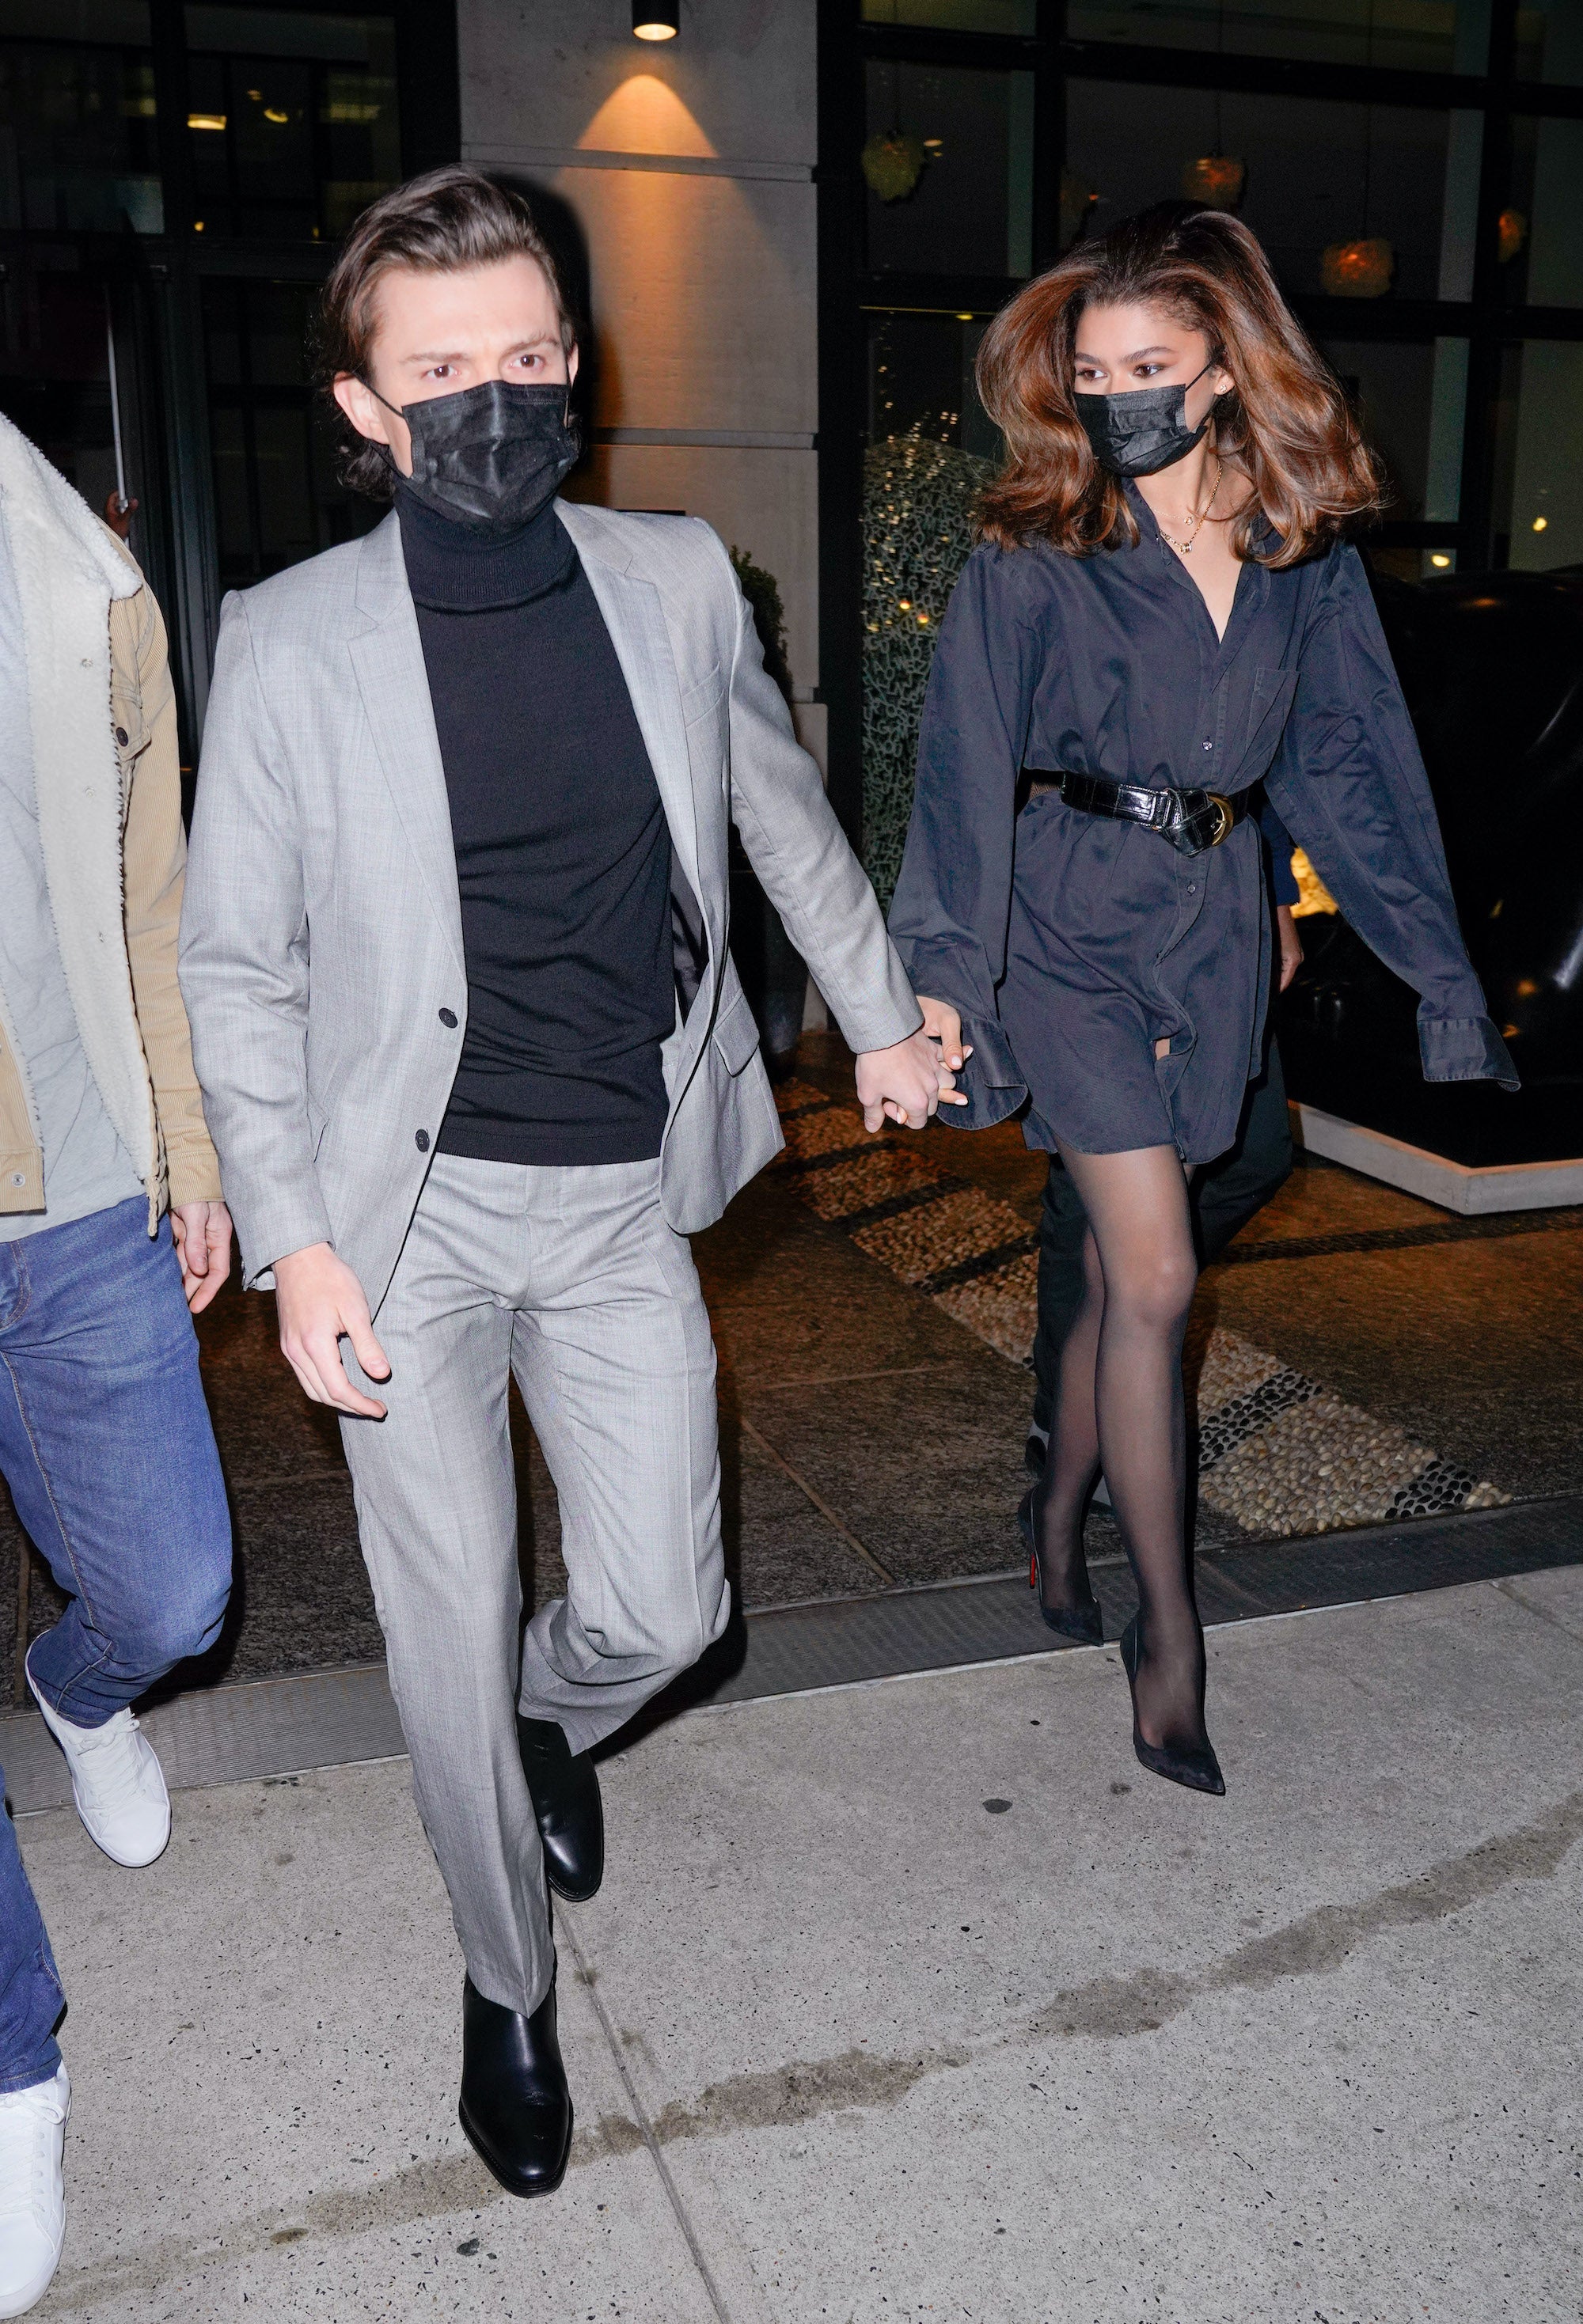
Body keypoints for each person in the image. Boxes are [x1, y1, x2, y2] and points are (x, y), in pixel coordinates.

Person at [178, 166, 951, 2201]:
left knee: (667, 1610)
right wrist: (294, 1239)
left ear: (576, 362)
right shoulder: (289, 639)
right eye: (444, 371)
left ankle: (537, 1728)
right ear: (366, 406)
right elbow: (236, 964)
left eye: (528, 354)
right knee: (440, 1629)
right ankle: (503, 1983)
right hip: (402, 1220)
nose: (496, 398)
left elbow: (777, 816)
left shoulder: (675, 577)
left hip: (616, 1185)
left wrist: (877, 1014)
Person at [888, 204, 1516, 1799]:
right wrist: (945, 978)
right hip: (1067, 923)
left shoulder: (1299, 550)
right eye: (1094, 375)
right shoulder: (1035, 547)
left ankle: (1054, 1508)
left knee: (1122, 1271)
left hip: (1215, 922)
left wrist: (1430, 965)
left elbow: (1351, 764)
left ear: (1225, 368)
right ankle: (1168, 1636)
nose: (1118, 401)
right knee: (1158, 1274)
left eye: (1150, 368)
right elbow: (963, 766)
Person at [0, 414, 233, 2318]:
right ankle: (18, 2071)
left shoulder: (82, 576)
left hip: (75, 1183)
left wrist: (191, 1146)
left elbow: (155, 908)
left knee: (173, 1590)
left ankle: (77, 1687)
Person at [1025, 805, 1302, 1482]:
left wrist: (1275, 891)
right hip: (1095, 891)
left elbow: (1271, 763)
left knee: (1256, 1153)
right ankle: (1070, 1413)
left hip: (1222, 888)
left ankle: (1128, 1322)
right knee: (1097, 1189)